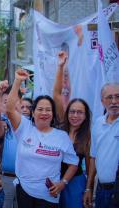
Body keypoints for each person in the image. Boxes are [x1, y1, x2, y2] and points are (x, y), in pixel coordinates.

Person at [6, 69, 79, 207]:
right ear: (33, 112)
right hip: (24, 190)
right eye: (40, 109)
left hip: (49, 195)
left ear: (53, 113)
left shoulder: (61, 136)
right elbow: (9, 109)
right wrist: (17, 81)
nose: (44, 113)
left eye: (48, 110)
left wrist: (62, 184)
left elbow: (73, 163)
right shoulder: (24, 127)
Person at [53, 51, 92, 208]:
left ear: (85, 116)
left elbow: (90, 168)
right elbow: (56, 94)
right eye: (72, 111)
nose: (75, 115)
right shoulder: (61, 128)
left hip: (76, 184)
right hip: (54, 180)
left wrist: (88, 188)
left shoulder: (88, 137)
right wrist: (61, 67)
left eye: (80, 112)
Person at [83, 83, 119, 208]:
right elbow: (93, 157)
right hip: (101, 190)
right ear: (102, 101)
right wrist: (89, 188)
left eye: (118, 96)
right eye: (109, 97)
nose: (114, 101)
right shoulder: (98, 124)